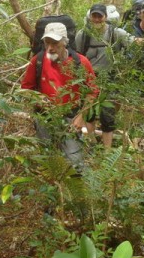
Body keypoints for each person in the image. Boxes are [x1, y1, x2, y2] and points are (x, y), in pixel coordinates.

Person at [75, 3, 144, 146]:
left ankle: (107, 151)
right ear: (89, 17)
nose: (96, 19)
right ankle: (92, 143)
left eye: (99, 16)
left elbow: (136, 42)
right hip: (89, 79)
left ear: (105, 17)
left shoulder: (115, 33)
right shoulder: (82, 35)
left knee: (107, 115)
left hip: (110, 79)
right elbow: (77, 58)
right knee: (88, 114)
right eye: (94, 16)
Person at [21, 22, 98, 171]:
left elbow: (92, 91)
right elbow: (25, 89)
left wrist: (81, 116)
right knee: (48, 158)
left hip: (71, 118)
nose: (50, 47)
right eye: (47, 42)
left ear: (65, 42)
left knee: (75, 161)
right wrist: (38, 99)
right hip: (45, 117)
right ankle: (53, 190)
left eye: (55, 43)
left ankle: (77, 191)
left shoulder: (80, 62)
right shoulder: (38, 61)